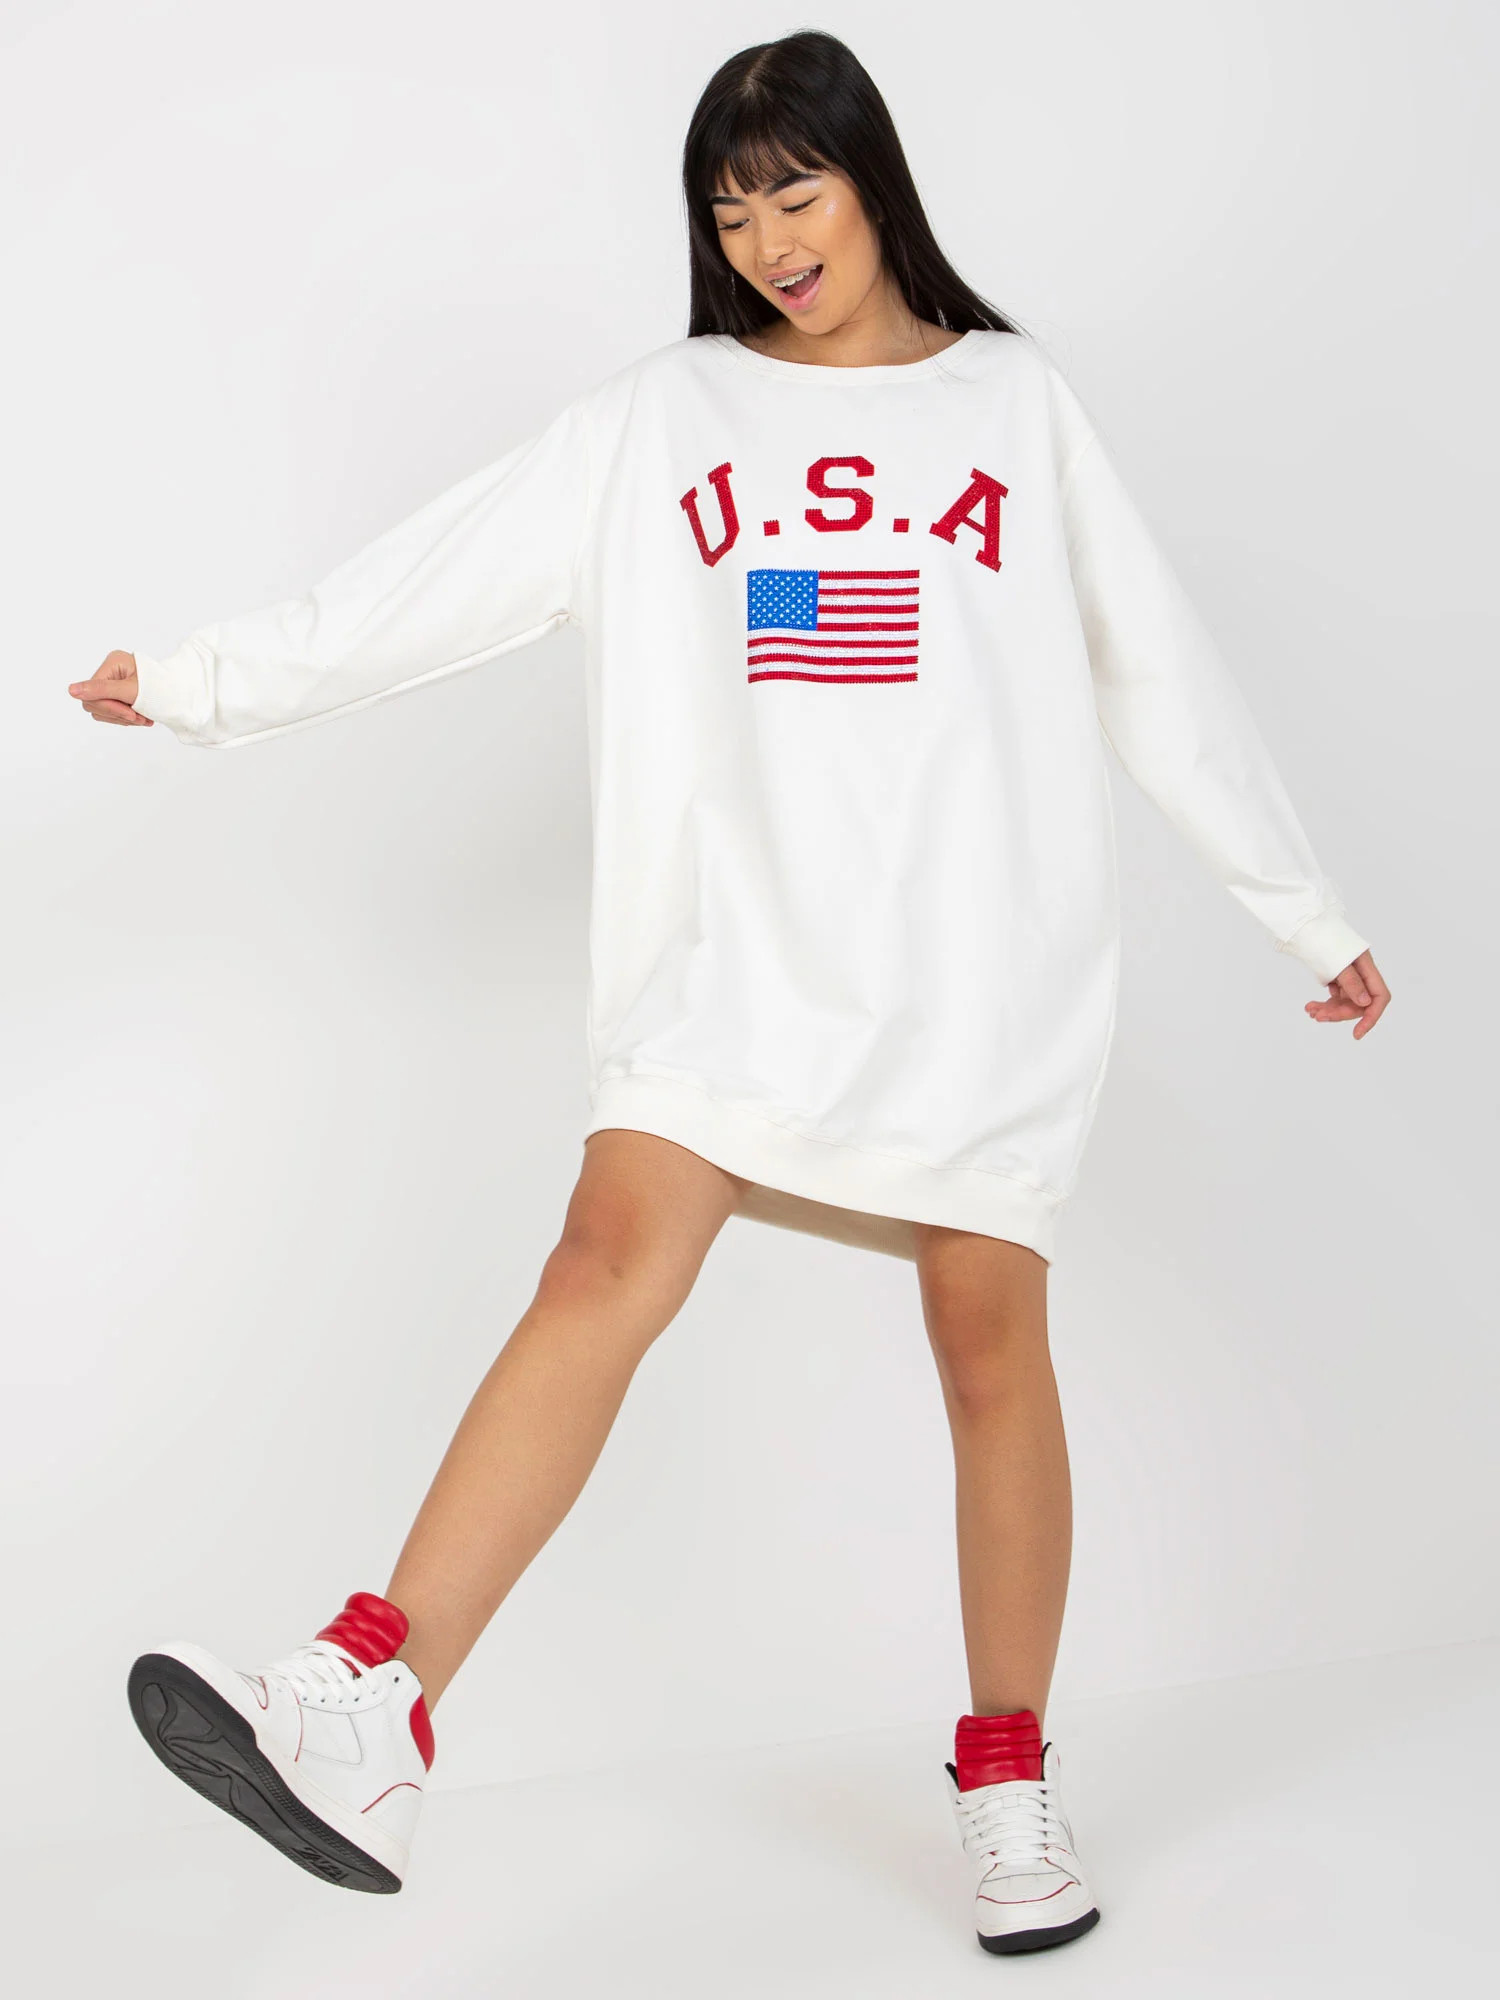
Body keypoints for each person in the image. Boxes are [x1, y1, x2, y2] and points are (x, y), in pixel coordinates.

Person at [69, 28, 1388, 1958]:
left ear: (873, 182)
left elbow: (1156, 666)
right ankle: (371, 1702)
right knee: (603, 1256)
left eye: (797, 190)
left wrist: (1302, 908)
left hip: (971, 973)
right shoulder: (664, 417)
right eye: (731, 206)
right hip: (736, 958)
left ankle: (1008, 1783)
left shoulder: (1015, 405)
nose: (769, 238)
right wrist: (204, 683)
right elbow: (436, 575)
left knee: (986, 1345)